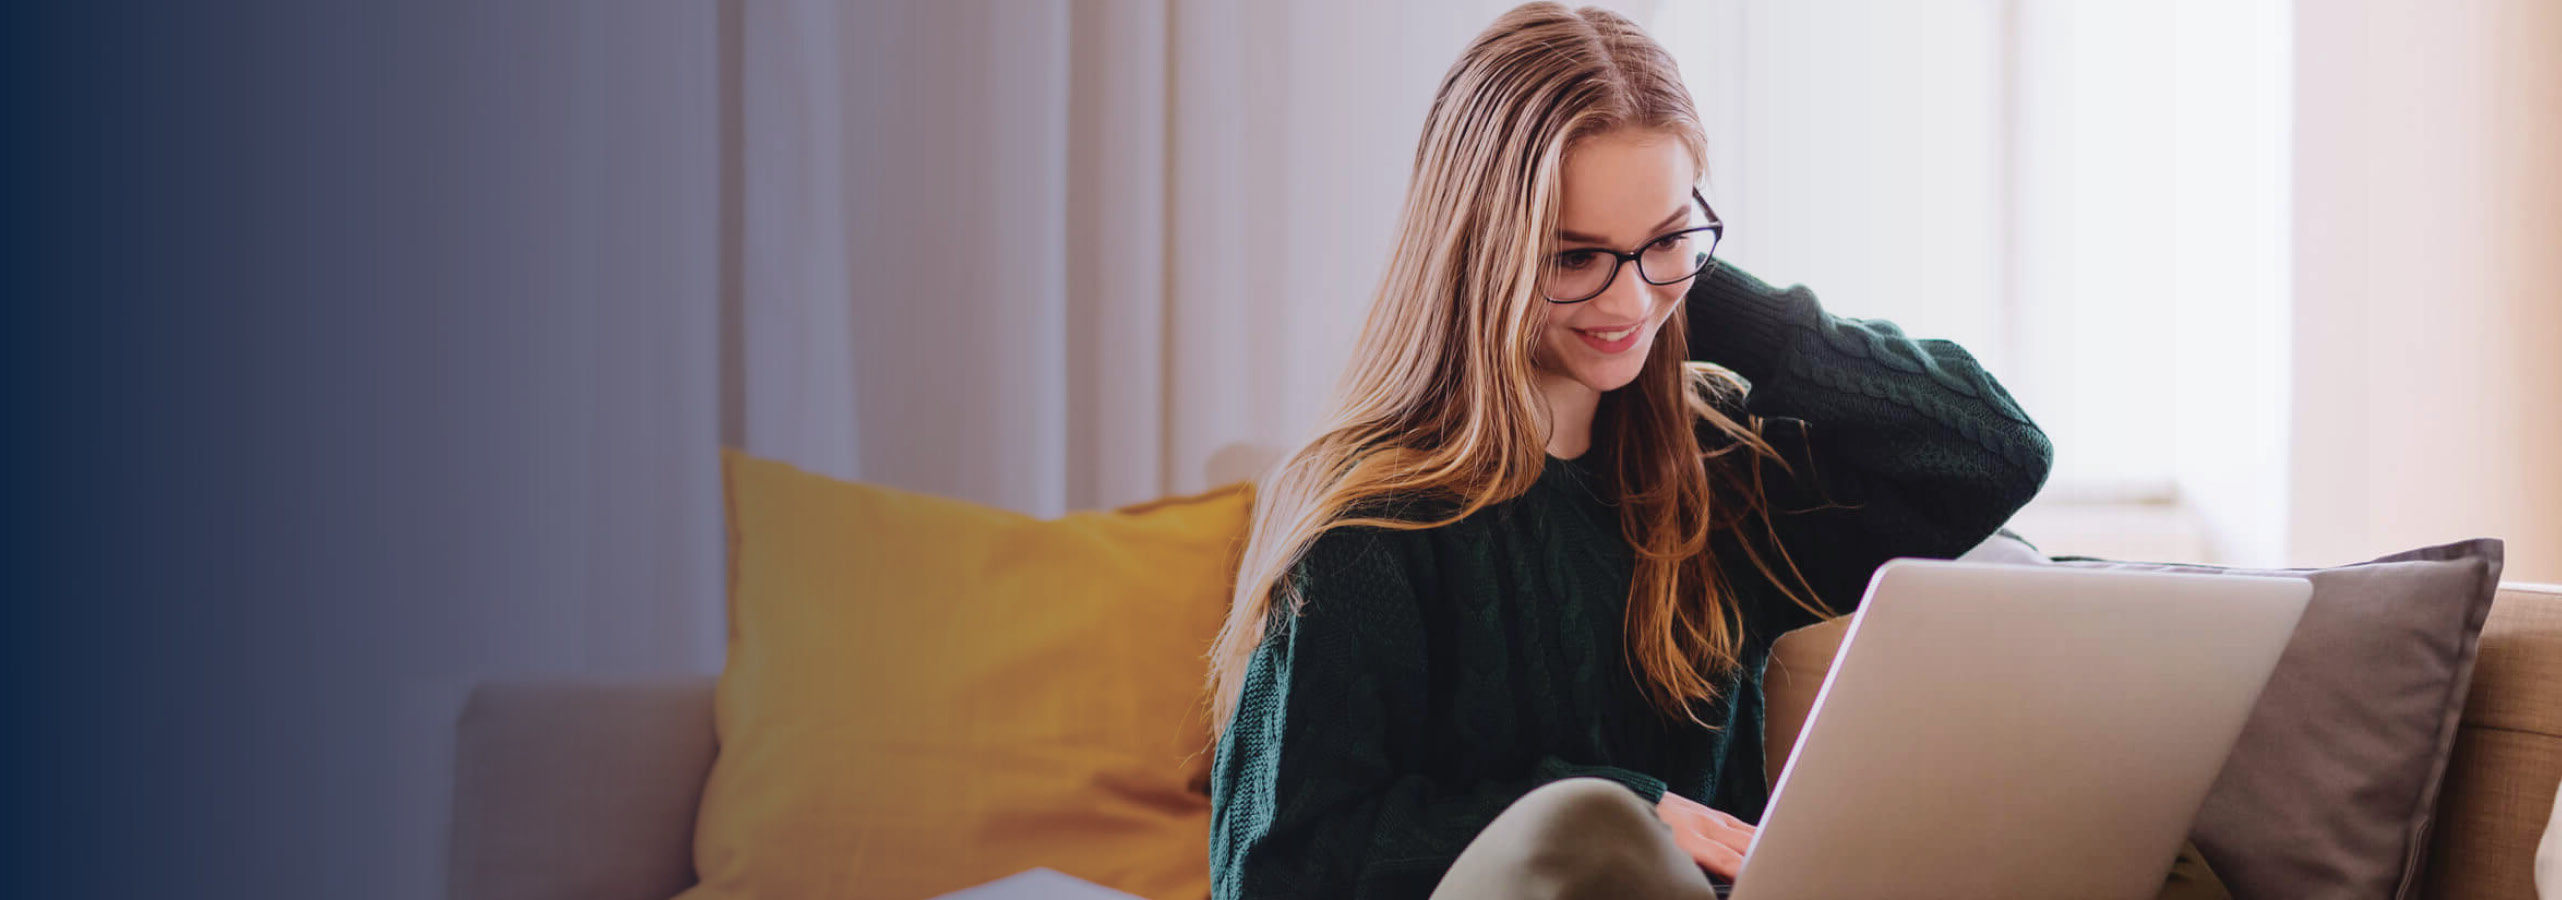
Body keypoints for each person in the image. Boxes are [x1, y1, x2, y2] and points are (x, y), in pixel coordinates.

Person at [1202, 3, 2228, 899]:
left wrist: (1697, 295)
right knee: (1586, 845)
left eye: (1663, 238)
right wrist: (1625, 810)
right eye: (1572, 256)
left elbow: (1993, 451)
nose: (1623, 300)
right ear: (1479, 251)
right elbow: (1274, 867)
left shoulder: (1717, 471)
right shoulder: (1370, 522)